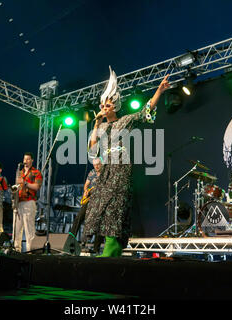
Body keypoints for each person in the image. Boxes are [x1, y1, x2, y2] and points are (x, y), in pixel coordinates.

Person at [84, 66, 170, 257]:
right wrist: (97, 124)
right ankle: (107, 247)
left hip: (121, 171)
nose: (103, 109)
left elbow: (144, 112)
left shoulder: (125, 122)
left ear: (114, 106)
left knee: (116, 210)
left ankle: (111, 250)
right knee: (100, 209)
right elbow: (92, 150)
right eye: (102, 106)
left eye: (107, 106)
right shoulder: (102, 126)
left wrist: (159, 91)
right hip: (106, 172)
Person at [70, 157, 104, 253]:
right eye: (94, 165)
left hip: (101, 200)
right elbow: (86, 184)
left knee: (99, 222)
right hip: (90, 199)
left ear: (102, 163)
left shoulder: (105, 173)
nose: (96, 167)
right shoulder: (91, 172)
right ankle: (70, 239)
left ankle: (96, 249)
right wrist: (85, 191)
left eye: (98, 164)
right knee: (79, 217)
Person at [13, 152, 43, 252]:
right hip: (18, 202)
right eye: (24, 159)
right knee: (16, 230)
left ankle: (30, 252)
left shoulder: (36, 172)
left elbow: (37, 187)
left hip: (29, 202)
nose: (25, 161)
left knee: (29, 230)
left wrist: (25, 183)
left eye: (28, 159)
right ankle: (16, 251)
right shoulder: (20, 172)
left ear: (32, 160)